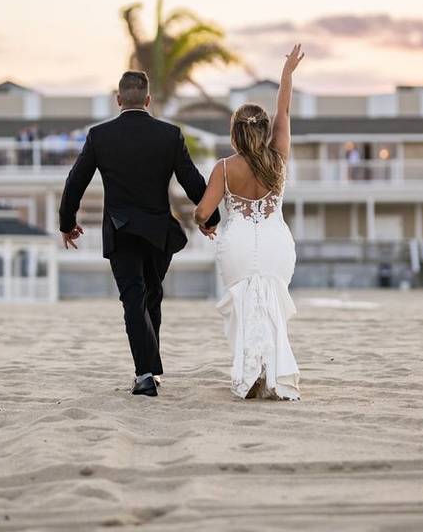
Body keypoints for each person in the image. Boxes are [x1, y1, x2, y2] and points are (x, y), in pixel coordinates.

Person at [58, 70, 220, 397]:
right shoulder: (169, 135)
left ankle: (146, 373)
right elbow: (192, 180)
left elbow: (75, 181)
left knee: (135, 297)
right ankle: (150, 371)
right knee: (152, 296)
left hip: (121, 231)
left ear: (118, 100)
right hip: (158, 231)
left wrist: (67, 223)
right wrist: (210, 216)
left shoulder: (100, 136)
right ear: (148, 100)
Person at [194, 44, 304, 400]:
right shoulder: (278, 158)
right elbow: (283, 111)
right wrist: (286, 74)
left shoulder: (224, 168)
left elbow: (201, 211)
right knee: (272, 306)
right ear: (263, 130)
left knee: (244, 309)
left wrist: (205, 222)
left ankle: (251, 375)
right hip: (275, 242)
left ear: (235, 133)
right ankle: (274, 373)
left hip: (238, 244)